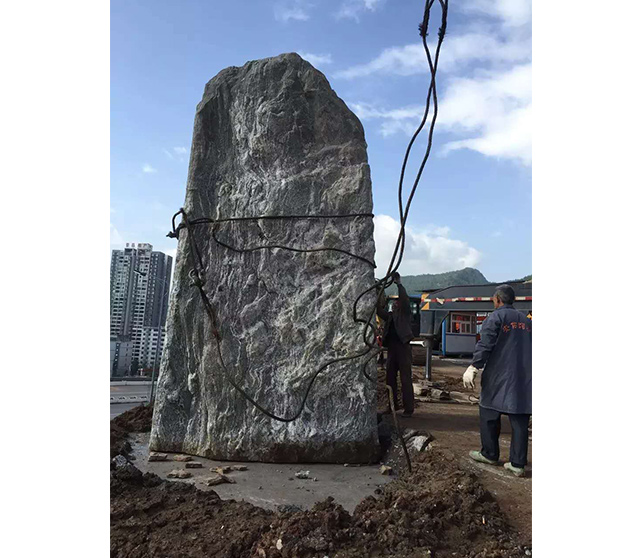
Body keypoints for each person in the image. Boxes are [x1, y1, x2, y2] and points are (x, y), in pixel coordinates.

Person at [463, 284, 532, 477]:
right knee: (520, 417)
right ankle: (518, 464)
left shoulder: (495, 318)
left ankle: (490, 454)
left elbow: (485, 344)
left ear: (498, 299)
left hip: (499, 375)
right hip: (524, 377)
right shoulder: (527, 322)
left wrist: (474, 366)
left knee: (488, 412)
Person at [377, 272, 414, 417]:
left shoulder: (404, 314)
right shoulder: (390, 317)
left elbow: (404, 299)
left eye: (396, 303)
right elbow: (379, 311)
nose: (394, 304)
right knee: (390, 379)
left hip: (403, 348)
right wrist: (378, 291)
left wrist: (399, 284)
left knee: (405, 379)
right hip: (392, 349)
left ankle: (408, 409)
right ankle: (392, 406)